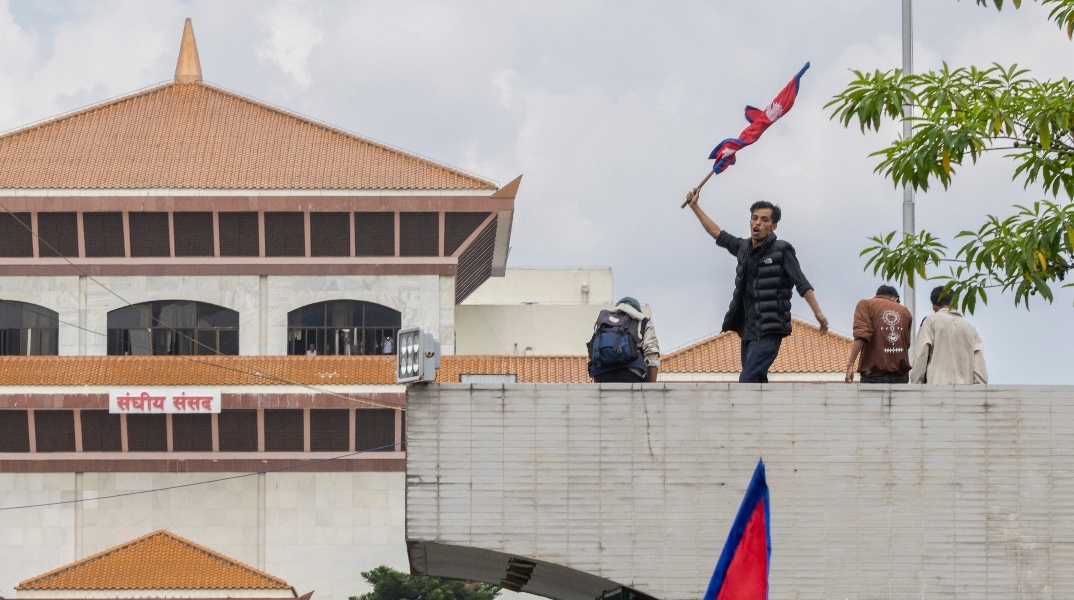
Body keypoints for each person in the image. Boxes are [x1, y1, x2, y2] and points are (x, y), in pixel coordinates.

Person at [685, 189, 828, 383]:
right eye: (754, 218)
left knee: (747, 379)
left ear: (773, 226)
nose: (757, 223)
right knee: (756, 383)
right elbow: (717, 233)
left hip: (770, 329)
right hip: (748, 330)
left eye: (764, 220)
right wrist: (695, 207)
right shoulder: (743, 248)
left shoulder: (781, 250)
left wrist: (818, 314)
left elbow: (801, 282)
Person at [909, 286, 988, 384]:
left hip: (936, 390)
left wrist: (916, 385)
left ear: (934, 306)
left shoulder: (931, 321)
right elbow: (980, 369)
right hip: (964, 393)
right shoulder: (970, 329)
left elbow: (921, 354)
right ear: (955, 305)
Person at [845, 285, 912, 383]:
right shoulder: (905, 311)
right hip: (898, 376)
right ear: (895, 299)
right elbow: (905, 344)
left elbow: (861, 335)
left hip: (872, 375)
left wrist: (850, 364)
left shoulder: (866, 305)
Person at [587, 297, 660, 383]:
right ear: (638, 310)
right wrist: (651, 387)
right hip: (630, 374)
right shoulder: (642, 321)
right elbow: (651, 354)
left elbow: (592, 350)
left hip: (601, 375)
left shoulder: (604, 321)